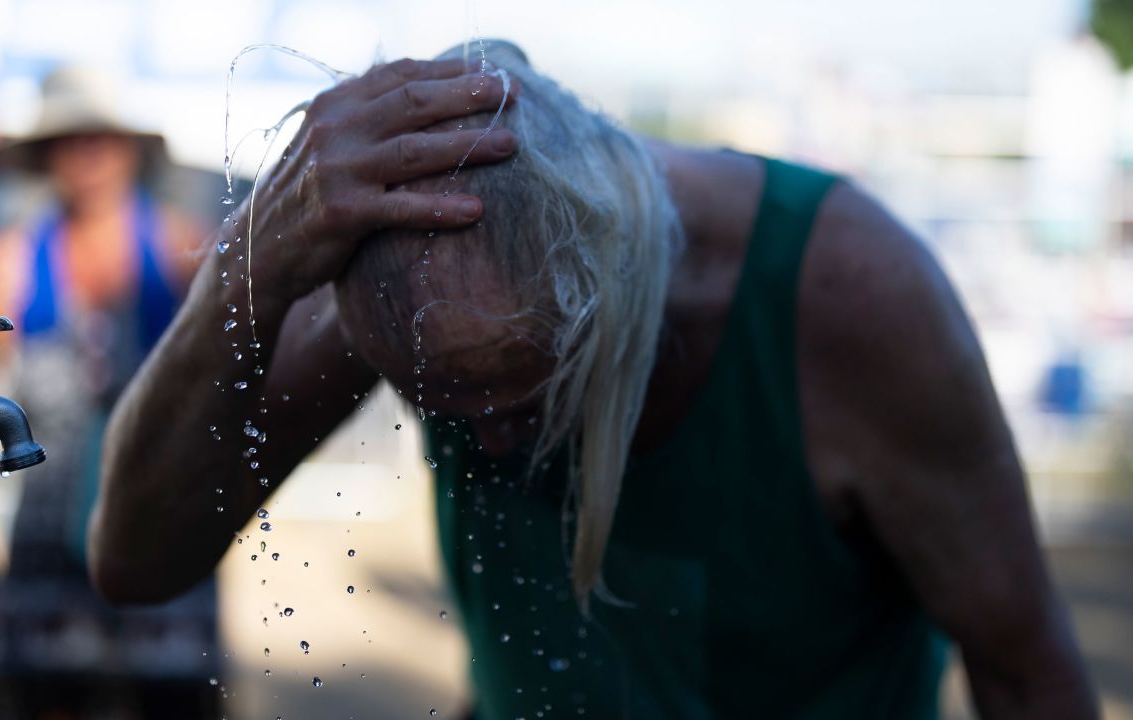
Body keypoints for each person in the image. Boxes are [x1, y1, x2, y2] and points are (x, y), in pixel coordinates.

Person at [89, 42, 1098, 719]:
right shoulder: (415, 282)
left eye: (522, 395)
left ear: (610, 293)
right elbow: (134, 562)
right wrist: (243, 273)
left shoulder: (846, 298)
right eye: (435, 406)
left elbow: (1024, 669)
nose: (485, 446)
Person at [0, 65, 215, 719]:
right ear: (48, 155)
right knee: (46, 699)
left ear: (129, 149)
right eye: (72, 141)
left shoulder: (182, 248)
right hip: (48, 532)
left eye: (102, 139)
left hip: (161, 517)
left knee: (170, 700)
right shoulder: (11, 259)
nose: (89, 157)